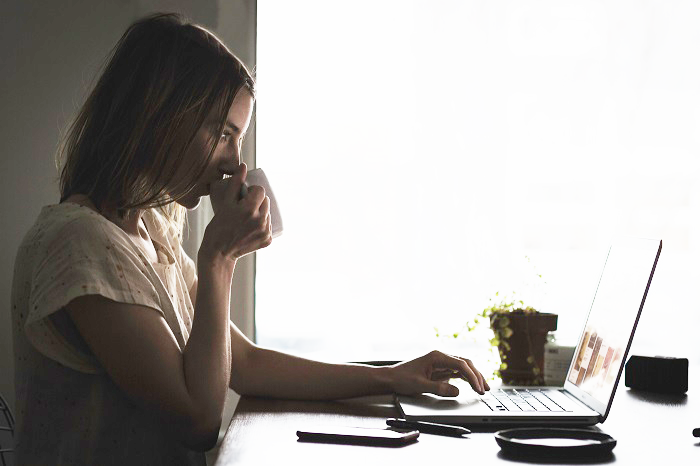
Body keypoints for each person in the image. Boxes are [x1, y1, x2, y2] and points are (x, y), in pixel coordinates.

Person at [10, 13, 489, 465]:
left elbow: (246, 363)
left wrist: (394, 377)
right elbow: (197, 419)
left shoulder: (150, 232)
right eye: (222, 133)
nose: (233, 162)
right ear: (159, 118)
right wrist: (219, 256)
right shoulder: (80, 241)